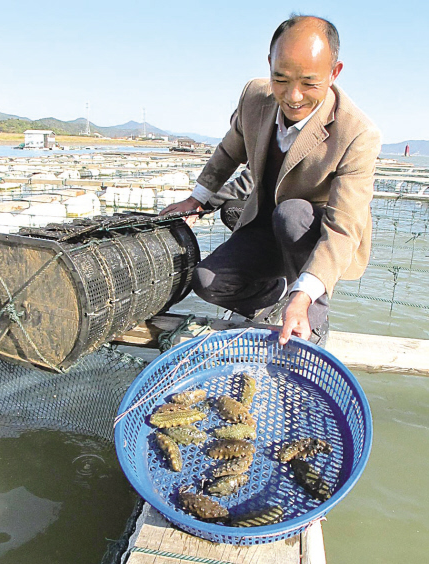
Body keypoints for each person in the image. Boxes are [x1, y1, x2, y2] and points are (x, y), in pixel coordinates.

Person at [161, 15, 381, 346]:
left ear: (334, 73)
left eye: (309, 83)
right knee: (207, 281)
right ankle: (272, 296)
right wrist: (197, 198)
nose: (293, 96)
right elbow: (229, 150)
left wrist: (304, 294)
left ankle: (311, 323)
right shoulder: (254, 96)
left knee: (291, 213)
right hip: (265, 221)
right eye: (281, 78)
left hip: (313, 235)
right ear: (270, 65)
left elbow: (343, 228)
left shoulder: (358, 133)